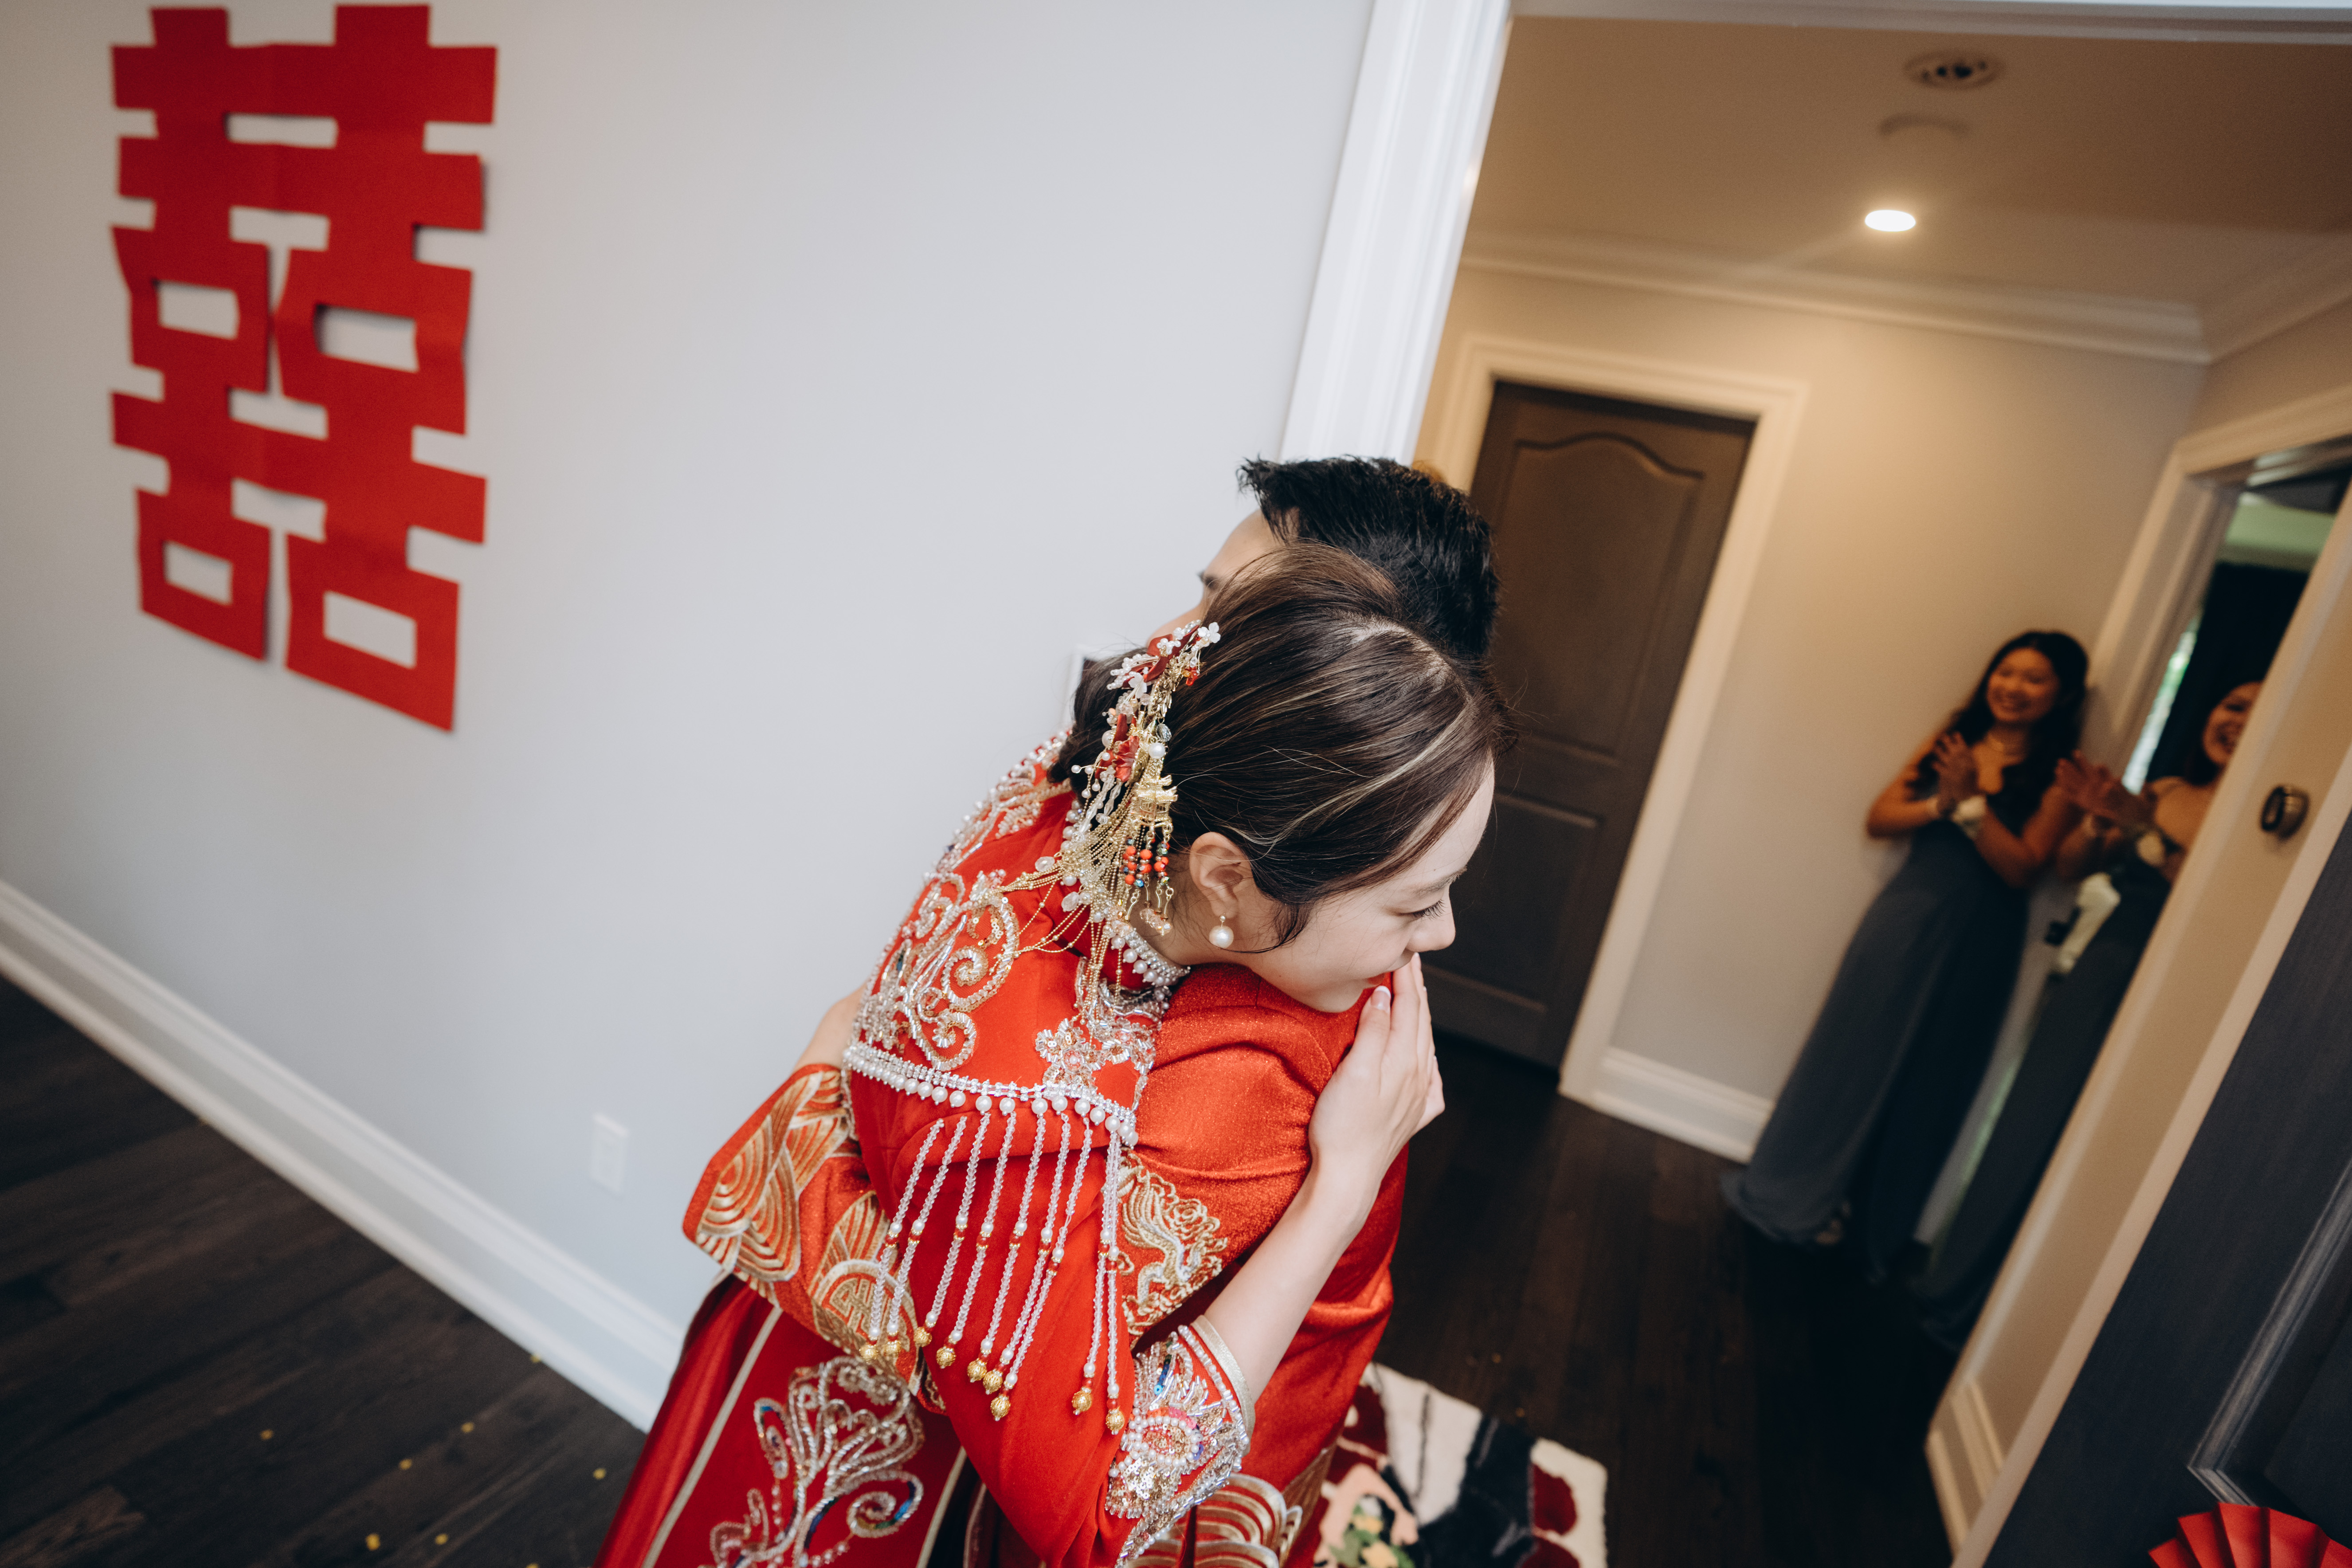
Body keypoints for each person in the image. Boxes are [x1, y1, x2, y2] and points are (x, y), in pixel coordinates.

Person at [596, 548, 1509, 1568]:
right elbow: (1095, 1516)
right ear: (1228, 880)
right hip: (865, 1461)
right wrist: (1340, 1189)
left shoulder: (1100, 783)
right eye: (1413, 905)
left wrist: (824, 1083)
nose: (1443, 936)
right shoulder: (1025, 1110)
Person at [1722, 631, 2088, 1280]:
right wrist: (1940, 803)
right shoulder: (1953, 739)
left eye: (2034, 679)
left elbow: (2022, 868)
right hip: (1907, 916)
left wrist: (1971, 808)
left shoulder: (2060, 774)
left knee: (1931, 1079)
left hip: (1982, 938)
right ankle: (1803, 1190)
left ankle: (1870, 1227)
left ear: (2061, 695)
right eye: (2006, 671)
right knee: (1851, 1053)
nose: (2014, 687)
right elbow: (1880, 818)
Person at [1913, 680, 2261, 1347]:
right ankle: (1954, 1288)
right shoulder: (2165, 791)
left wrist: (2141, 828)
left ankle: (2025, 1320)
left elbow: (2211, 896)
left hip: (2180, 985)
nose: (2238, 721)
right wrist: (2101, 821)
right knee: (2029, 1120)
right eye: (2233, 705)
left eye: (2258, 710)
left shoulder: (2258, 825)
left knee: (2107, 1151)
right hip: (2106, 968)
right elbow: (2072, 868)